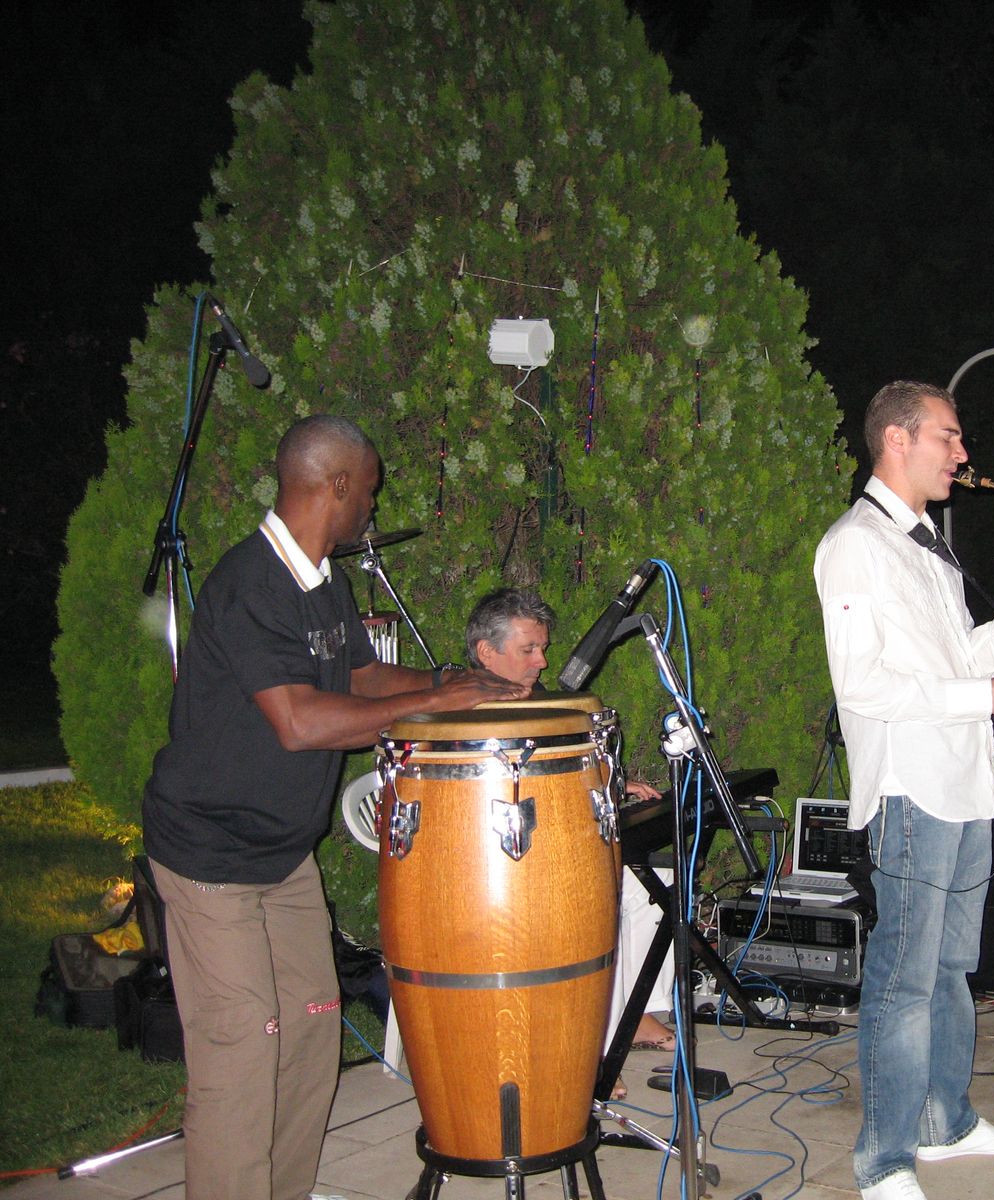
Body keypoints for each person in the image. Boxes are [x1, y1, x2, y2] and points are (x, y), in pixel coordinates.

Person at [142, 415, 528, 1200]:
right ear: (338, 485)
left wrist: (451, 685)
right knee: (242, 1047)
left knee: (313, 1029)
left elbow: (358, 678)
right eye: (370, 490)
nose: (374, 506)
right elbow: (299, 722)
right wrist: (434, 703)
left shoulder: (323, 582)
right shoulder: (250, 583)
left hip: (282, 856)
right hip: (211, 855)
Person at [814, 381, 994, 1200]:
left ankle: (946, 1123)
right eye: (949, 437)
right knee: (903, 979)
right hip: (912, 788)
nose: (963, 455)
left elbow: (954, 660)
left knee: (953, 969)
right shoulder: (855, 545)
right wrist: (988, 697)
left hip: (964, 784)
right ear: (897, 439)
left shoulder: (926, 543)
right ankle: (884, 1161)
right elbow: (862, 684)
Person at [463, 587, 676, 1059]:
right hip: (498, 862)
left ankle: (633, 1012)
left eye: (542, 648)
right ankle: (594, 1040)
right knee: (601, 892)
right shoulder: (461, 712)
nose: (542, 661)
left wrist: (613, 786)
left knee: (657, 880)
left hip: (555, 840)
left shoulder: (538, 699)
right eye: (528, 650)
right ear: (486, 652)